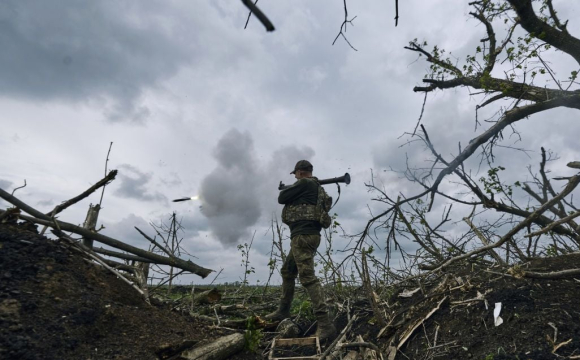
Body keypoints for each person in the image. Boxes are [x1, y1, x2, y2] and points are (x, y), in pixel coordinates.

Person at [265, 160, 337, 342]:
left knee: (308, 278)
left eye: (295, 174)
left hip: (303, 236)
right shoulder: (316, 187)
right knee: (288, 271)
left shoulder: (305, 183)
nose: (295, 177)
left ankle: (325, 324)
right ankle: (283, 311)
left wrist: (292, 188)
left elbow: (281, 198)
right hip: (306, 236)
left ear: (300, 172)